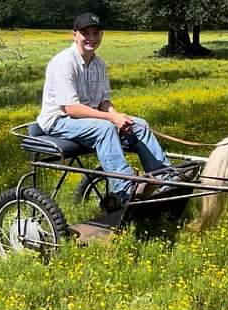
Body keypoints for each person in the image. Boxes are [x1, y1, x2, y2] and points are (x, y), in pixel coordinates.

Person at [37, 12, 174, 205]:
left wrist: (118, 116)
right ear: (74, 34)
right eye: (86, 33)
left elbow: (104, 102)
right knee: (105, 129)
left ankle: (167, 179)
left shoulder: (99, 64)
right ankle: (125, 188)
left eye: (96, 33)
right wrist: (111, 119)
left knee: (139, 125)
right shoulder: (64, 63)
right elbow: (72, 109)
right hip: (59, 121)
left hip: (88, 119)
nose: (91, 38)